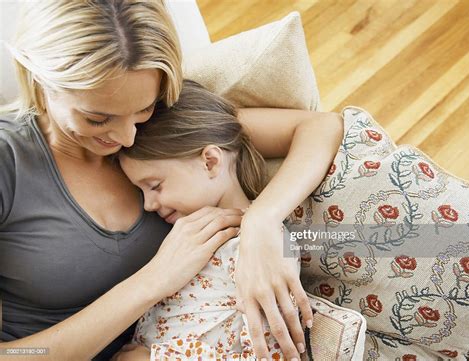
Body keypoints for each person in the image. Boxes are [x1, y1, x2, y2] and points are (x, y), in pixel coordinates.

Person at [0, 1, 343, 360]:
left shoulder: (156, 130)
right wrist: (153, 281)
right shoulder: (10, 163)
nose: (127, 137)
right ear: (38, 79)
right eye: (97, 118)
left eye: (142, 109)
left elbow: (319, 126)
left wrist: (263, 220)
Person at [117, 79, 300, 360]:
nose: (149, 205)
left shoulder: (258, 251)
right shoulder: (186, 239)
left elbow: (268, 353)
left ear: (210, 162)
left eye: (154, 186)